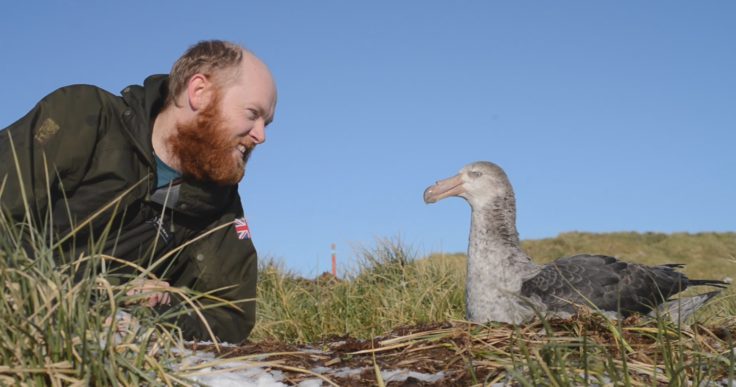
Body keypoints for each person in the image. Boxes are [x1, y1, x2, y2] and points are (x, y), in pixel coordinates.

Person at [0, 40, 277, 343]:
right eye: (252, 113)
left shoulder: (219, 203)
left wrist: (157, 309)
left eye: (267, 122)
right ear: (200, 92)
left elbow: (230, 317)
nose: (260, 135)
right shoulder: (84, 117)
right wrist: (107, 293)